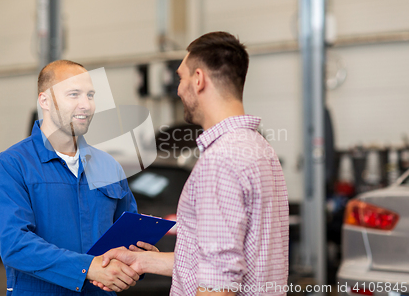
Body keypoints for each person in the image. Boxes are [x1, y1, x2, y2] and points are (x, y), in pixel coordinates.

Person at [94, 31, 289, 296]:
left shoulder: (220, 160)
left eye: (181, 77)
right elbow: (220, 263)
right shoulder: (260, 149)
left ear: (198, 80)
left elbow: (219, 282)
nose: (178, 89)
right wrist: (142, 261)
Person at [0, 60, 142, 295]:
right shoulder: (12, 166)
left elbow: (128, 232)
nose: (86, 105)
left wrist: (140, 256)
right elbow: (15, 245)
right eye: (73, 94)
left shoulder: (109, 167)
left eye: (90, 95)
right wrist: (87, 268)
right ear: (44, 100)